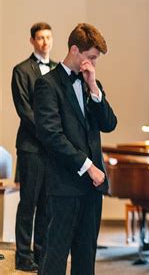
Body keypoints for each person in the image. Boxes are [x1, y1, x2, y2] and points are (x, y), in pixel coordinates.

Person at [34, 23, 117, 274]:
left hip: (92, 189)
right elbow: (51, 136)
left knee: (85, 257)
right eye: (91, 57)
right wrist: (88, 166)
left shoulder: (92, 82)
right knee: (54, 257)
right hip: (64, 186)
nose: (93, 63)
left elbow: (109, 124)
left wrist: (93, 87)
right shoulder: (47, 85)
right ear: (74, 50)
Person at [12, 22, 57, 272]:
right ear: (32, 41)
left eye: (48, 37)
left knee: (47, 204)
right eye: (40, 38)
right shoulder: (21, 70)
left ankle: (41, 253)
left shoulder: (58, 70)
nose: (45, 42)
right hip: (31, 147)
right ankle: (22, 256)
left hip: (52, 150)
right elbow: (24, 110)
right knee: (28, 203)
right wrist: (49, 134)